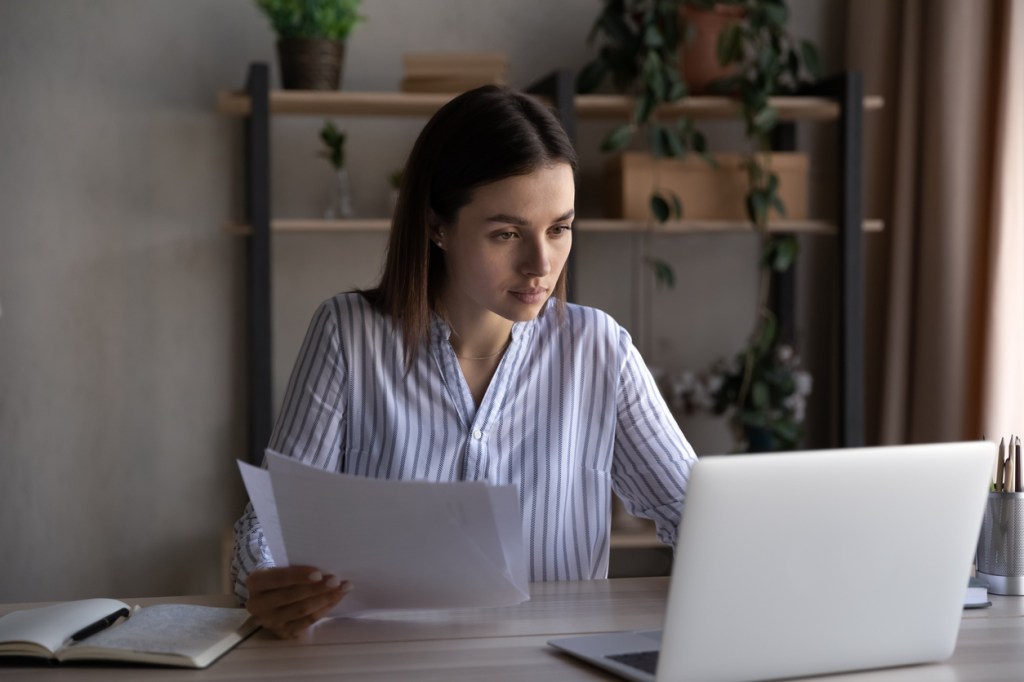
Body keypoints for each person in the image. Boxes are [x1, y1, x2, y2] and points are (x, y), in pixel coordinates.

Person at [231, 85, 697, 639]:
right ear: (436, 226)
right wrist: (269, 582)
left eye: (559, 228)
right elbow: (265, 532)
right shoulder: (347, 336)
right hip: (383, 669)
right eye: (507, 233)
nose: (540, 265)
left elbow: (701, 518)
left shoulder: (601, 351)